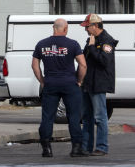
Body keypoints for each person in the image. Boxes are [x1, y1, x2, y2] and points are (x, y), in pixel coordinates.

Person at [31, 18, 87, 157]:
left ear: (53, 28)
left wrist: (42, 81)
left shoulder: (41, 44)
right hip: (70, 84)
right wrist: (79, 80)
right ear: (65, 29)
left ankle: (46, 148)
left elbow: (34, 65)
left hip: (50, 84)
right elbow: (83, 64)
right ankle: (76, 148)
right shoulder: (73, 44)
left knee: (47, 117)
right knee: (74, 116)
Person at [80, 13, 117, 156]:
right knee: (87, 116)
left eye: (87, 27)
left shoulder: (107, 41)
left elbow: (104, 61)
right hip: (88, 82)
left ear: (95, 26)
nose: (86, 30)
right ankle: (86, 147)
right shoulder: (91, 40)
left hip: (99, 83)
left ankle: (102, 147)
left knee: (100, 117)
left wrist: (92, 47)